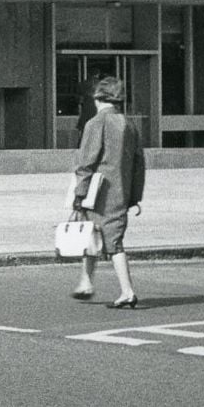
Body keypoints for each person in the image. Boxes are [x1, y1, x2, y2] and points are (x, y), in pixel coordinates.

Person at [68, 74, 145, 308]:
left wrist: (78, 195)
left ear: (98, 98)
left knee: (108, 242)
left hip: (98, 192)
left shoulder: (96, 123)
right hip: (121, 191)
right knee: (100, 236)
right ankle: (86, 282)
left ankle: (127, 291)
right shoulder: (128, 125)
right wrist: (134, 196)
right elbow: (139, 164)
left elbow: (86, 162)